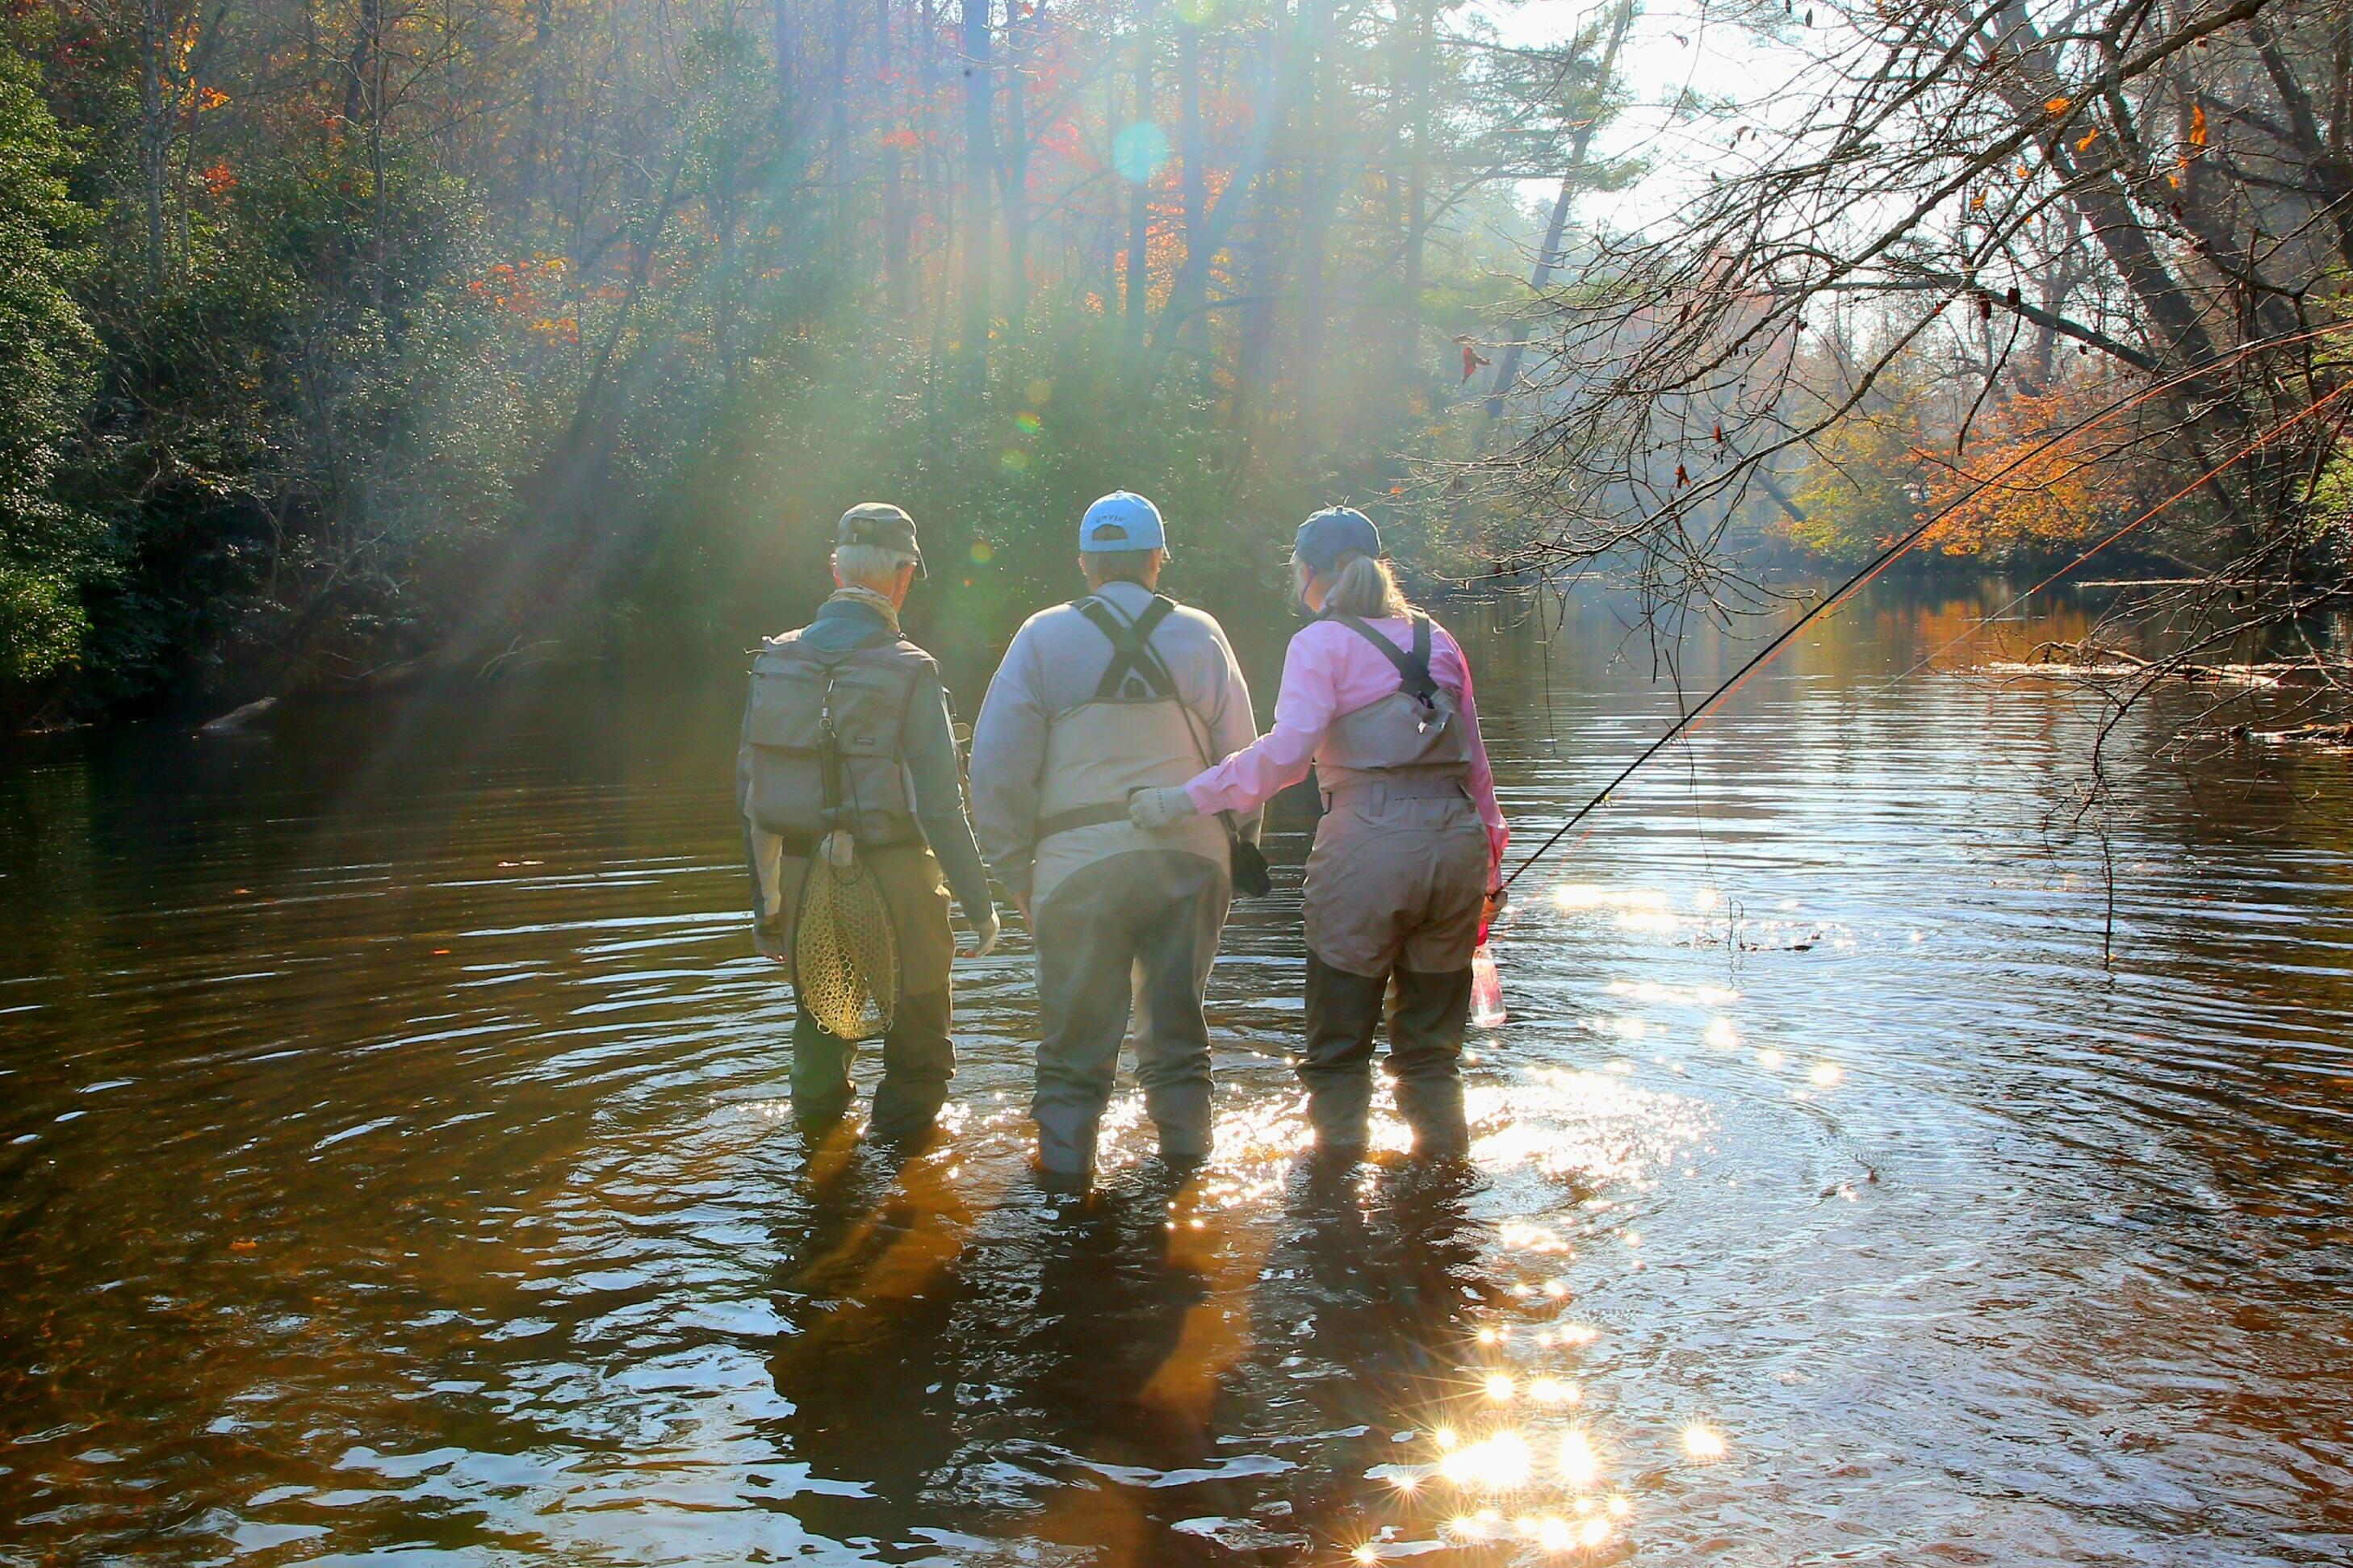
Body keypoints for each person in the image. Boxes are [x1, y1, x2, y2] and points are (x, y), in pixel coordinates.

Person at [1129, 507, 1506, 1160]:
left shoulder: (1320, 642)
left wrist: (1180, 799)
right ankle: (1443, 1193)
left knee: (1337, 1054)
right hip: (1457, 849)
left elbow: (1284, 758)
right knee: (1431, 1057)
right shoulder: (1439, 639)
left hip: (1366, 847)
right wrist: (1490, 873)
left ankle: (1332, 1201)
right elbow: (1476, 765)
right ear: (1379, 565)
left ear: (1310, 572)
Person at [969, 491, 1262, 1186]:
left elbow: (996, 768)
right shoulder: (1201, 633)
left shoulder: (1041, 635)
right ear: (1157, 558)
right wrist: (1235, 849)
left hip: (1076, 866)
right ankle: (1188, 1184)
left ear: (1084, 563)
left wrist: (1015, 873)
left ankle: (1064, 1199)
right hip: (1191, 860)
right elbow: (1245, 764)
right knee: (1178, 1033)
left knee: (1074, 1048)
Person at [738, 502, 999, 1145]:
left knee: (820, 1026)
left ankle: (818, 1165)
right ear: (904, 576)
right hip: (900, 874)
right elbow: (940, 806)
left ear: (836, 570)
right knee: (920, 1037)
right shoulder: (912, 668)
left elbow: (751, 795)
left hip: (803, 874)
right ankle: (905, 1167)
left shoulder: (774, 661)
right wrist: (979, 905)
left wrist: (767, 908)